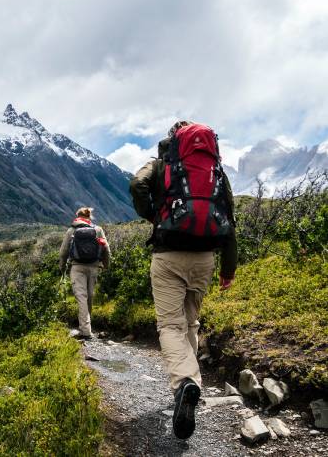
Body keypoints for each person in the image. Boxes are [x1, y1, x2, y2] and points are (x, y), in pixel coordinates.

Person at [129, 121, 237, 440]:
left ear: (173, 139)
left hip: (169, 255)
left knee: (170, 326)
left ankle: (185, 383)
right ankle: (189, 385)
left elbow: (137, 184)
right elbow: (229, 219)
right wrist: (227, 270)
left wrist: (152, 215)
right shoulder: (214, 170)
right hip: (205, 258)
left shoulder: (163, 164)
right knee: (190, 323)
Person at [59, 207, 111, 340]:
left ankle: (85, 331)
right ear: (90, 216)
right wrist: (106, 265)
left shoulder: (72, 230)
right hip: (94, 267)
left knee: (81, 297)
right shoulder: (97, 229)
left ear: (77, 216)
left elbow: (63, 252)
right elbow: (106, 249)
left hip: (77, 267)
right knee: (89, 297)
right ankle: (87, 328)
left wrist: (63, 269)